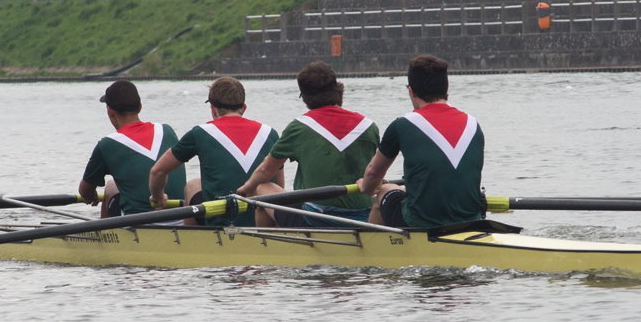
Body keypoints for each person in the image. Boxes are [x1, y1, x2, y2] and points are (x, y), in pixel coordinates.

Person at [238, 61, 380, 229]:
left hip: (315, 219)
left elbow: (266, 170)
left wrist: (245, 190)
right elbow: (375, 171)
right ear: (338, 90)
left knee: (263, 188)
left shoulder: (299, 127)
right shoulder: (369, 127)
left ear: (305, 97)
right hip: (364, 217)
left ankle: (266, 242)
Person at [356, 54, 485, 230]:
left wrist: (366, 187)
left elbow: (372, 173)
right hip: (472, 220)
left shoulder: (402, 125)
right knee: (403, 191)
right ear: (446, 89)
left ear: (411, 91)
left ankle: (370, 246)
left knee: (385, 191)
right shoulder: (473, 124)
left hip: (421, 224)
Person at [149, 76, 280, 227]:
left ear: (213, 109)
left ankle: (192, 238)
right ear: (244, 108)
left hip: (220, 222)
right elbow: (278, 183)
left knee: (192, 186)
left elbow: (157, 171)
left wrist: (158, 197)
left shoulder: (200, 133)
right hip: (262, 223)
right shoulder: (270, 133)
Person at [79, 80, 186, 218]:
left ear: (110, 111)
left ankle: (105, 230)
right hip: (181, 217)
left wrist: (91, 195)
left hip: (139, 223)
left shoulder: (106, 144)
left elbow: (84, 192)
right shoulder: (166, 130)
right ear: (140, 107)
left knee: (111, 187)